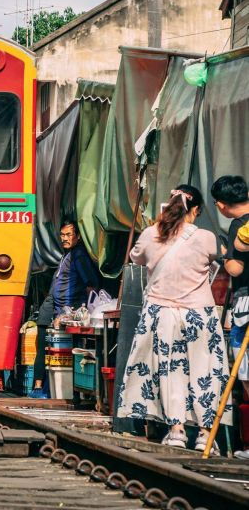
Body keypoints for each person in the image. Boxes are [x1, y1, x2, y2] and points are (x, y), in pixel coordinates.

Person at [116, 185, 230, 454]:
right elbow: (224, 255)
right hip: (199, 315)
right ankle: (205, 435)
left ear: (168, 206)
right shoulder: (205, 237)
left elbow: (138, 258)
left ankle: (176, 431)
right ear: (196, 210)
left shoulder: (150, 234)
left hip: (163, 314)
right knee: (206, 372)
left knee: (169, 372)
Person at [30, 218, 99, 398]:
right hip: (53, 308)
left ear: (78, 236)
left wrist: (83, 310)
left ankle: (52, 389)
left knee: (60, 350)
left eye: (69, 234)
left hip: (66, 308)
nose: (64, 238)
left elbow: (90, 285)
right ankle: (40, 388)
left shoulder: (79, 256)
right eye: (62, 235)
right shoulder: (66, 255)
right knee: (45, 348)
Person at [211, 175, 249, 458]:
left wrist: (223, 254)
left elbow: (236, 269)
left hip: (246, 303)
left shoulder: (240, 226)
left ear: (222, 205)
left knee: (245, 372)